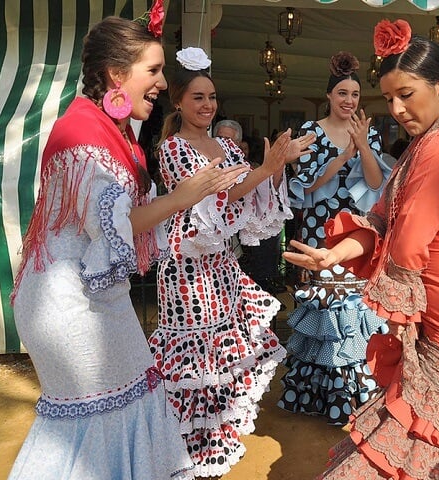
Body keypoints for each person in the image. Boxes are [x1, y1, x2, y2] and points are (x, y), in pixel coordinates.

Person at [8, 11, 247, 480]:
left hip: (91, 299)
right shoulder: (82, 134)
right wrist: (186, 195)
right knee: (96, 428)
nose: (161, 83)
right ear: (117, 75)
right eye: (153, 71)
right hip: (70, 304)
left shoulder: (114, 133)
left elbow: (129, 226)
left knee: (123, 413)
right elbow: (114, 226)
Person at [284, 20, 439, 478]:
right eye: (389, 98)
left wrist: (378, 290)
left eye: (406, 94)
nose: (397, 108)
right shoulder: (428, 142)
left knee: (411, 444)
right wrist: (333, 255)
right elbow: (382, 219)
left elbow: (406, 244)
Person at [147, 46, 313, 479]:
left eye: (212, 97)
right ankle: (184, 449)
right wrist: (266, 166)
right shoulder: (172, 148)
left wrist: (277, 166)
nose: (207, 105)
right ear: (179, 101)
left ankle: (215, 438)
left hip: (220, 266)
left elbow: (249, 190)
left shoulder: (223, 143)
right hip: (186, 271)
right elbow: (214, 197)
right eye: (198, 97)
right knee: (193, 361)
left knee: (220, 356)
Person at [276, 51, 391, 426]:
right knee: (324, 313)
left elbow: (375, 184)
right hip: (319, 232)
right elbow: (307, 184)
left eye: (355, 95)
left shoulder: (367, 131)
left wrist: (364, 148)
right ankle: (318, 396)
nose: (349, 100)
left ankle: (353, 395)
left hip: (355, 233)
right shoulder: (311, 132)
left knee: (353, 315)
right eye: (342, 93)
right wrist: (344, 156)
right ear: (329, 95)